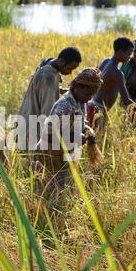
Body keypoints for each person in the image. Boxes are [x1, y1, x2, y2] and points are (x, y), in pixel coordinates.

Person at [34, 68, 102, 198]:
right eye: (87, 94)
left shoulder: (80, 101)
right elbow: (49, 135)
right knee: (49, 193)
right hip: (50, 153)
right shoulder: (65, 106)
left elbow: (79, 122)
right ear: (76, 86)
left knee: (63, 191)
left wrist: (88, 130)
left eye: (92, 96)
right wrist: (76, 137)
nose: (89, 99)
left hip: (63, 153)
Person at [18, 47, 82, 150]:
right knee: (37, 161)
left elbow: (40, 87)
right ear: (61, 61)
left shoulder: (46, 63)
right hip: (35, 125)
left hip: (25, 116)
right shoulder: (50, 77)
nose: (70, 73)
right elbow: (48, 112)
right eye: (69, 68)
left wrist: (58, 89)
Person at [87, 37, 136, 132]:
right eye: (128, 54)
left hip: (91, 106)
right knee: (99, 141)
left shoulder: (106, 61)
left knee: (96, 139)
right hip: (99, 111)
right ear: (120, 52)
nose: (130, 57)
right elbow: (126, 100)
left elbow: (91, 78)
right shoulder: (117, 73)